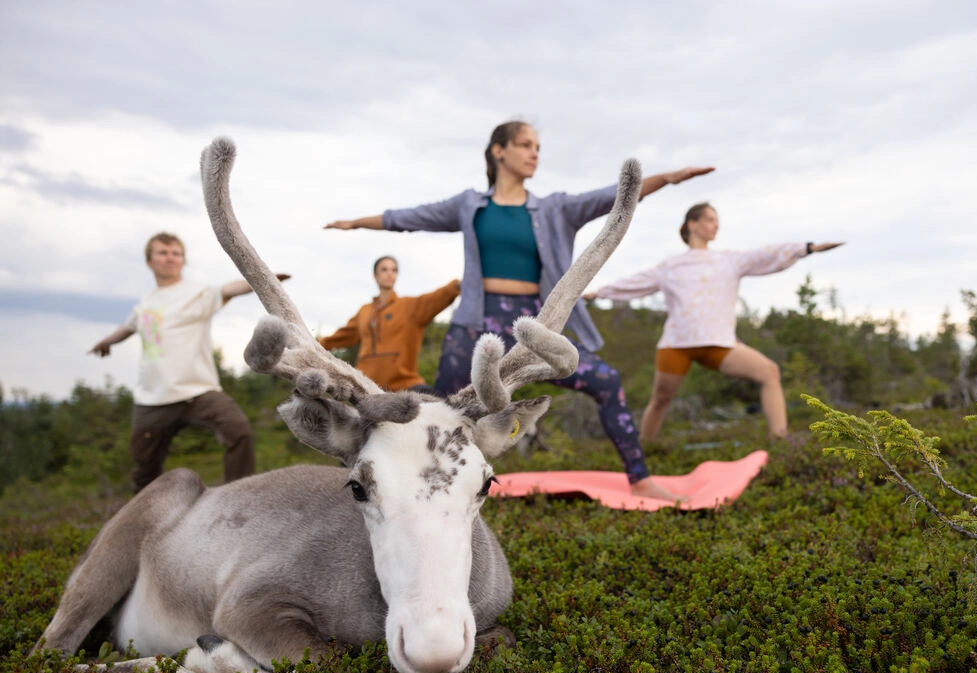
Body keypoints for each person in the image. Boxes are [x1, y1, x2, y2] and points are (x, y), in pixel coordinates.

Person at [325, 120, 713, 502]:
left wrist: (669, 178)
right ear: (499, 151)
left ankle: (641, 479)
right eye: (526, 145)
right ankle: (420, 491)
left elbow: (614, 196)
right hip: (475, 324)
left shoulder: (554, 209)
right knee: (443, 410)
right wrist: (357, 223)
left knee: (607, 381)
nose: (534, 154)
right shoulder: (469, 205)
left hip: (536, 326)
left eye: (538, 148)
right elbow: (409, 218)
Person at [588, 202, 843, 439]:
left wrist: (806, 248)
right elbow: (636, 282)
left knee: (769, 372)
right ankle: (642, 454)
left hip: (718, 344)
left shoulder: (729, 260)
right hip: (676, 345)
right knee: (661, 399)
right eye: (710, 219)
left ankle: (782, 443)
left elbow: (765, 254)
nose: (716, 225)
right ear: (692, 224)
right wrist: (599, 292)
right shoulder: (671, 266)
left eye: (716, 220)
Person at [89, 232, 285, 492]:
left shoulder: (198, 293)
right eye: (162, 252)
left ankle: (238, 496)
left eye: (176, 253)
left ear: (183, 260)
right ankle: (146, 517)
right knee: (144, 468)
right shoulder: (146, 304)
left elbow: (229, 289)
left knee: (238, 431)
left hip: (198, 391)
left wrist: (261, 279)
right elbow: (128, 327)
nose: (170, 258)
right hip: (154, 396)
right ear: (150, 261)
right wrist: (106, 343)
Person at [318, 255, 460, 392]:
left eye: (394, 270)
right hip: (367, 386)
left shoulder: (409, 306)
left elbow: (435, 299)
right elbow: (342, 335)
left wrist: (456, 286)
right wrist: (317, 344)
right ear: (375, 275)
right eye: (384, 269)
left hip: (405, 386)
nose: (389, 273)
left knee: (444, 407)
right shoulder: (364, 311)